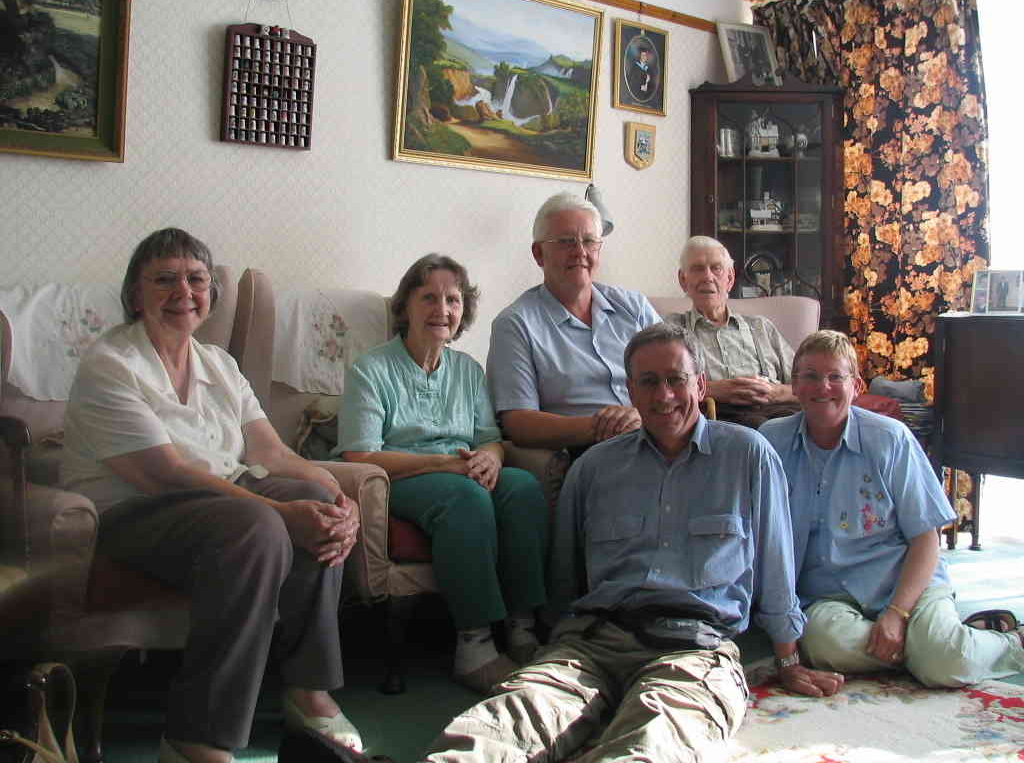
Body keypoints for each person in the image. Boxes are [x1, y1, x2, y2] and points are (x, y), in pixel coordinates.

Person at [420, 323, 842, 763]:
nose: (664, 395)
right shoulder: (593, 468)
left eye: (676, 379)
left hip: (695, 650)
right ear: (630, 393)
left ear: (700, 385)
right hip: (593, 643)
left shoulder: (748, 455)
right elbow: (565, 576)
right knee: (498, 726)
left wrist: (788, 659)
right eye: (649, 382)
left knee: (657, 747)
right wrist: (557, 646)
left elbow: (776, 563)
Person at [61, 229, 365, 763]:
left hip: (219, 502)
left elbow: (269, 451)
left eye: (196, 279)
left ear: (210, 293)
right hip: (128, 512)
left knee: (312, 504)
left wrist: (336, 495)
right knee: (259, 527)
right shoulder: (111, 363)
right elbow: (165, 475)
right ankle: (195, 737)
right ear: (135, 294)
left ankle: (308, 692)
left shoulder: (220, 365)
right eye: (165, 279)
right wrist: (279, 513)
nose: (184, 291)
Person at [759, 330, 1024, 687]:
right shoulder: (770, 442)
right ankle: (932, 647)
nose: (823, 387)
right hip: (826, 596)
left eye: (835, 376)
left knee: (947, 662)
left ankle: (1007, 642)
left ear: (856, 386)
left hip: (905, 583)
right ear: (794, 385)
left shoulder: (890, 439)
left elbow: (926, 538)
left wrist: (897, 615)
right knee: (826, 646)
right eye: (810, 376)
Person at [337, 254, 548, 695]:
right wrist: (441, 464)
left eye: (453, 300)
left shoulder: (468, 370)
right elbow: (360, 455)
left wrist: (491, 459)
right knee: (464, 496)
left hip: (460, 470)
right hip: (399, 478)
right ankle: (474, 646)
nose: (442, 309)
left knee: (522, 487)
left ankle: (522, 628)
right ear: (405, 306)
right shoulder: (370, 370)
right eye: (429, 298)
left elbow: (490, 437)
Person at [487, 192, 660, 457]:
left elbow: (679, 374)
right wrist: (603, 427)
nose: (580, 252)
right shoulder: (515, 324)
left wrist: (643, 416)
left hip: (660, 433)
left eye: (589, 241)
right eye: (566, 241)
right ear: (538, 253)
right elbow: (517, 422)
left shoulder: (634, 307)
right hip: (592, 451)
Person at [666, 235, 799, 428]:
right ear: (683, 280)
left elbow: (807, 384)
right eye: (698, 269)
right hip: (719, 420)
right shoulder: (672, 330)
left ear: (729, 278)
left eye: (716, 268)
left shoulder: (761, 327)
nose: (708, 277)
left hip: (778, 413)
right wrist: (713, 389)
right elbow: (664, 387)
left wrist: (773, 392)